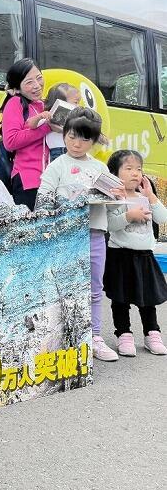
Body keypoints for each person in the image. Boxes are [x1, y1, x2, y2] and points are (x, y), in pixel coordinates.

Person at [36, 107, 120, 362]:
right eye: (72, 136)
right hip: (64, 236)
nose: (77, 143)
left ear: (94, 141)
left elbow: (113, 204)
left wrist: (116, 197)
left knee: (95, 289)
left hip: (94, 235)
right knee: (60, 288)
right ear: (64, 134)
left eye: (85, 138)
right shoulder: (57, 164)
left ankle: (94, 337)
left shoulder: (100, 167)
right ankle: (57, 339)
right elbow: (43, 201)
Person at [103, 150, 167, 356]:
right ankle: (124, 334)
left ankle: (152, 333)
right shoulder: (114, 198)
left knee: (147, 298)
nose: (135, 174)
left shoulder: (145, 197)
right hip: (120, 256)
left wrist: (151, 196)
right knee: (120, 299)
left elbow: (162, 218)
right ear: (115, 173)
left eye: (138, 169)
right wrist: (128, 215)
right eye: (128, 169)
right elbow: (110, 225)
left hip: (144, 257)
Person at [0, 59, 52, 210]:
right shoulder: (15, 103)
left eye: (39, 77)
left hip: (50, 180)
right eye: (29, 82)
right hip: (28, 180)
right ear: (17, 89)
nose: (37, 85)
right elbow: (10, 141)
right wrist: (45, 128)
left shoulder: (44, 105)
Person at [43, 83, 81, 162]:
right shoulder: (49, 116)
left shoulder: (74, 119)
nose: (78, 106)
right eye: (76, 102)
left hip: (71, 151)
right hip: (58, 152)